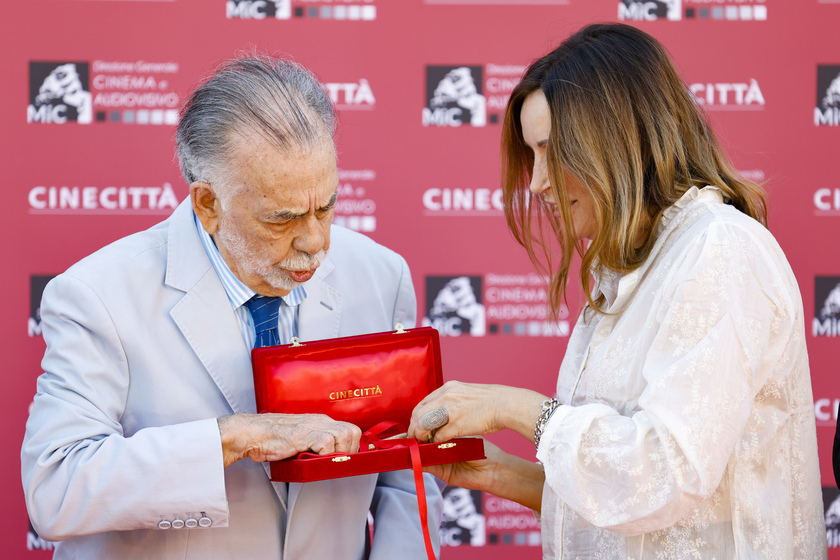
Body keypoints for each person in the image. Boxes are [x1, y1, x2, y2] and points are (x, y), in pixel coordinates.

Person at [408, 23, 827, 559]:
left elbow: (665, 473)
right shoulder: (638, 264)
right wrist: (495, 472)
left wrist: (516, 409)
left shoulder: (719, 250)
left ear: (614, 141)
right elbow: (626, 509)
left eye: (550, 152)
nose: (536, 184)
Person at [21, 55, 442, 559]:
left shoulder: (380, 275)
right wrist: (233, 438)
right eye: (281, 219)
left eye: (327, 205)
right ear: (207, 204)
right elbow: (56, 490)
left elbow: (407, 477)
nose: (315, 241)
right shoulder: (98, 296)